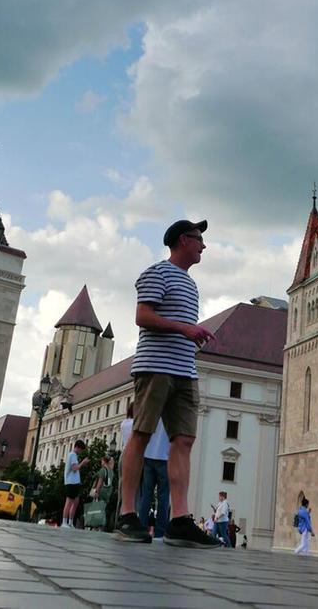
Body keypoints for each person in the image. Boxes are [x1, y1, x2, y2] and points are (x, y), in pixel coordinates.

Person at [116, 219, 220, 549]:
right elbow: (143, 316)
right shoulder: (156, 273)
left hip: (185, 370)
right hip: (155, 368)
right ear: (181, 241)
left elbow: (179, 325)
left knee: (185, 440)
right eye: (198, 239)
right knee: (142, 434)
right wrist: (185, 329)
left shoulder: (190, 284)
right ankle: (128, 513)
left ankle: (179, 520)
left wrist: (192, 334)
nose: (203, 246)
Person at [138, 419, 171, 540]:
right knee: (163, 496)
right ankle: (160, 532)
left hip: (148, 455)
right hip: (165, 457)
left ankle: (141, 528)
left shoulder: (153, 407)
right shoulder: (171, 410)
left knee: (146, 494)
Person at [62, 439, 89, 529]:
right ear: (77, 447)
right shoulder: (73, 455)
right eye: (81, 450)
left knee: (75, 502)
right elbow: (74, 468)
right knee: (69, 502)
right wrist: (82, 463)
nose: (81, 452)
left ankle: (70, 522)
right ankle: (64, 522)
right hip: (71, 482)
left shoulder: (73, 455)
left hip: (74, 482)